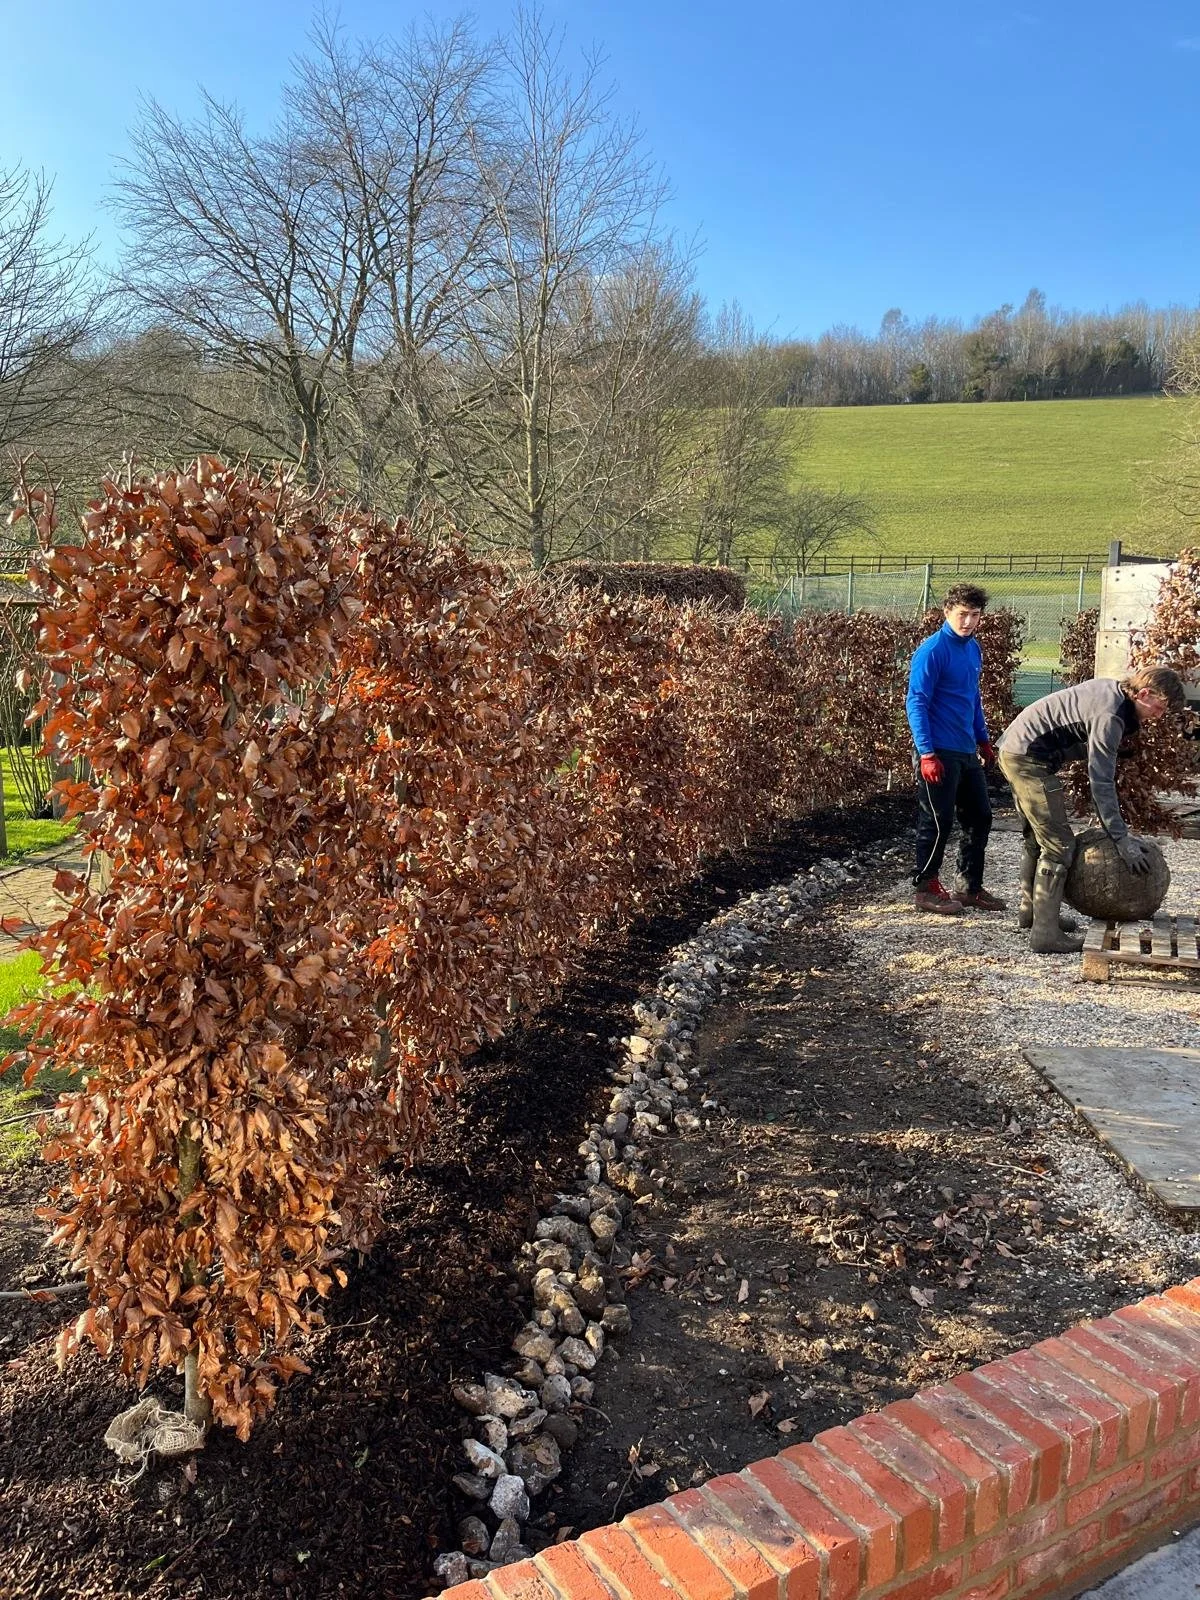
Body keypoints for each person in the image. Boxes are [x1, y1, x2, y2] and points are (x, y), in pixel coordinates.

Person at [996, 665, 1185, 954]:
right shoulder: (1110, 714)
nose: (1158, 717)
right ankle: (1045, 935)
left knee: (1038, 837)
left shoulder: (1116, 691)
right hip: (1027, 758)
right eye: (1158, 708)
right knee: (1059, 845)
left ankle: (1033, 914)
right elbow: (1101, 780)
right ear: (1144, 693)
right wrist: (1121, 839)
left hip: (1016, 748)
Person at [905, 582, 1005, 916]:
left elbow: (971, 698)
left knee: (980, 817)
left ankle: (968, 887)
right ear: (947, 611)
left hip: (965, 748)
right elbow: (916, 702)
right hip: (938, 750)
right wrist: (927, 753)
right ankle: (926, 888)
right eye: (962, 614)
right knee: (937, 819)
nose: (968, 622)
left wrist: (983, 739)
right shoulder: (932, 651)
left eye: (975, 615)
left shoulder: (973, 649)